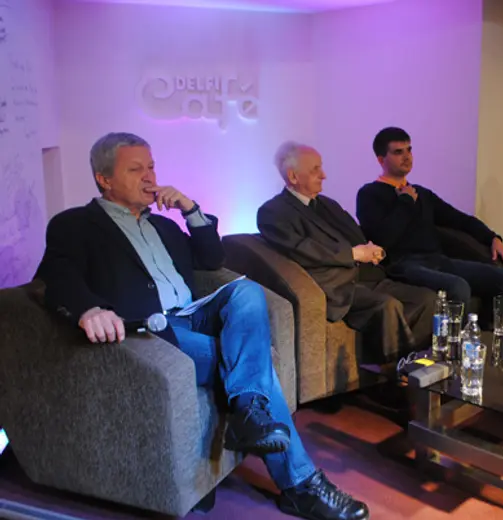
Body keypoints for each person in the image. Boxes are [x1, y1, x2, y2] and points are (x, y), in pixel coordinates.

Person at [35, 132, 369, 520]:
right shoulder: (75, 224)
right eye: (136, 169)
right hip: (153, 331)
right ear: (104, 179)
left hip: (194, 313)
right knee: (256, 365)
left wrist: (191, 209)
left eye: (151, 166)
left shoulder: (163, 226)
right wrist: (89, 309)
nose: (149, 176)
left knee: (245, 291)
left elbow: (213, 258)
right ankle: (301, 484)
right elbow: (56, 274)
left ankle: (248, 414)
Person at [257, 141, 436, 362]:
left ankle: (415, 364)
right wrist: (354, 254)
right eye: (315, 169)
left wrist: (371, 251)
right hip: (336, 287)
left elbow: (355, 236)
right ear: (293, 176)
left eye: (321, 167)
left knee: (427, 299)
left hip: (367, 276)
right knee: (388, 305)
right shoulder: (273, 212)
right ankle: (397, 373)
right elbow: (301, 250)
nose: (323, 175)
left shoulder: (327, 204)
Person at [355, 127, 503, 315]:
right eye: (398, 152)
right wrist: (405, 202)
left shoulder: (422, 194)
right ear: (381, 160)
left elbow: (459, 219)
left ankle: (492, 330)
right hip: (401, 265)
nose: (407, 157)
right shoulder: (369, 194)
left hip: (436, 260)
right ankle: (456, 335)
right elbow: (383, 238)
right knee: (457, 287)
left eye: (409, 150)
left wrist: (493, 238)